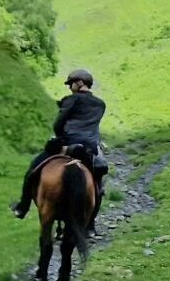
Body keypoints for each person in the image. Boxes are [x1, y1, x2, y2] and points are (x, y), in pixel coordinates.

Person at [11, 69, 107, 229]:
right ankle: (90, 225)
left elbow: (58, 125)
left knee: (33, 170)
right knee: (97, 185)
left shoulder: (71, 100)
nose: (70, 87)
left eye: (71, 83)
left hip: (69, 145)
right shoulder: (100, 104)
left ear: (80, 83)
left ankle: (23, 207)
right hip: (90, 148)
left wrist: (61, 137)